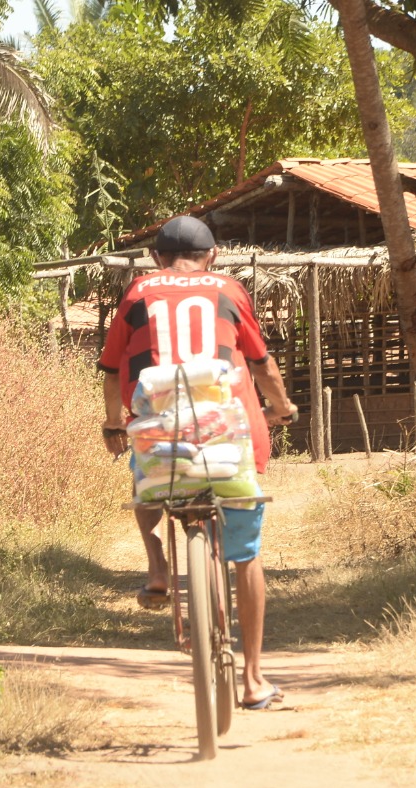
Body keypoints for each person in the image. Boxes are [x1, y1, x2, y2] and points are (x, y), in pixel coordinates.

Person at [98, 215, 299, 710]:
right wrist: (282, 407)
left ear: (155, 258)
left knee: (145, 476)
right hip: (230, 439)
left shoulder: (138, 292)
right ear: (213, 255)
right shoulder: (230, 290)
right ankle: (252, 680)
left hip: (162, 435)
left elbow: (109, 370)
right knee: (247, 555)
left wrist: (112, 426)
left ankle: (158, 565)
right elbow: (261, 364)